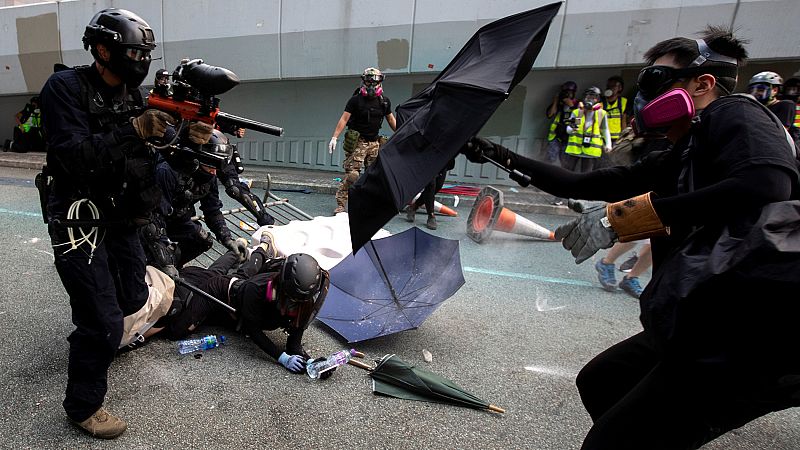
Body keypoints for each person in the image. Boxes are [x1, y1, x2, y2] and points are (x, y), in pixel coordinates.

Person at [462, 27, 800, 449]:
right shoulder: (684, 150)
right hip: (710, 314)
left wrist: (628, 218)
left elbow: (766, 185)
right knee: (603, 382)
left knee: (612, 441)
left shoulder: (736, 113)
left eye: (656, 81)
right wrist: (490, 150)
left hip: (756, 333)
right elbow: (584, 183)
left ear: (703, 84)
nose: (644, 95)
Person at [39, 8, 212, 439]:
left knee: (132, 298)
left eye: (145, 53)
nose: (140, 60)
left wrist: (187, 143)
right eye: (133, 51)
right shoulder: (65, 89)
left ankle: (99, 329)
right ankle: (83, 406)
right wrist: (133, 131)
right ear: (102, 49)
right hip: (79, 218)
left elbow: (155, 158)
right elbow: (74, 157)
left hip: (120, 215)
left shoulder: (135, 98)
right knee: (101, 318)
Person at [148, 233, 329, 374]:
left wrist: (314, 364)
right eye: (291, 300)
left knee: (228, 275)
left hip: (238, 299)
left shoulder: (305, 298)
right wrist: (281, 357)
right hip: (221, 291)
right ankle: (253, 250)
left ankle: (249, 250)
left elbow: (294, 345)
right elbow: (253, 329)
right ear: (282, 289)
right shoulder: (257, 289)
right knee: (177, 329)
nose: (294, 305)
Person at [141, 129, 248, 277]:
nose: (214, 172)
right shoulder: (167, 171)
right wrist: (165, 259)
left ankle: (174, 266)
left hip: (178, 219)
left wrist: (227, 238)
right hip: (151, 219)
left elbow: (212, 209)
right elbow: (155, 217)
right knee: (154, 247)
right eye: (212, 165)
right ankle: (155, 269)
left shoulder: (209, 174)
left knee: (202, 240)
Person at [328, 67, 397, 213]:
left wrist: (401, 134)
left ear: (380, 82)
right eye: (368, 81)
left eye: (375, 81)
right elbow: (344, 118)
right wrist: (334, 137)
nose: (371, 84)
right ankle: (341, 205)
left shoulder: (384, 101)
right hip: (358, 142)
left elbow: (391, 119)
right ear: (364, 81)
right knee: (353, 175)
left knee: (373, 177)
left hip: (374, 143)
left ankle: (367, 205)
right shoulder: (355, 100)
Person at [562, 86, 612, 173]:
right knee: (567, 172)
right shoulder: (577, 112)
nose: (590, 99)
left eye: (593, 97)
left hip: (590, 151)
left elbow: (605, 129)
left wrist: (608, 144)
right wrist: (574, 127)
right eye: (588, 97)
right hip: (574, 150)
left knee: (586, 174)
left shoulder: (602, 113)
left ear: (598, 99)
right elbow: (568, 130)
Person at [405, 157, 456, 230]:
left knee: (438, 186)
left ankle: (413, 207)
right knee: (431, 185)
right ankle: (431, 216)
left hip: (444, 158)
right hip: (429, 157)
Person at [544, 80, 579, 164]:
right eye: (565, 92)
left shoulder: (578, 104)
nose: (567, 94)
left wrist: (571, 105)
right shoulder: (560, 104)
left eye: (569, 92)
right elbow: (550, 115)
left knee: (566, 162)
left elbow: (579, 119)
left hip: (569, 137)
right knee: (550, 159)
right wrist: (556, 101)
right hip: (556, 135)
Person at [601, 76, 630, 143]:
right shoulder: (601, 101)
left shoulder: (623, 102)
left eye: (613, 86)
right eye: (608, 86)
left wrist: (624, 137)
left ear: (620, 88)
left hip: (617, 140)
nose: (610, 88)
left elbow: (624, 121)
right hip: (602, 139)